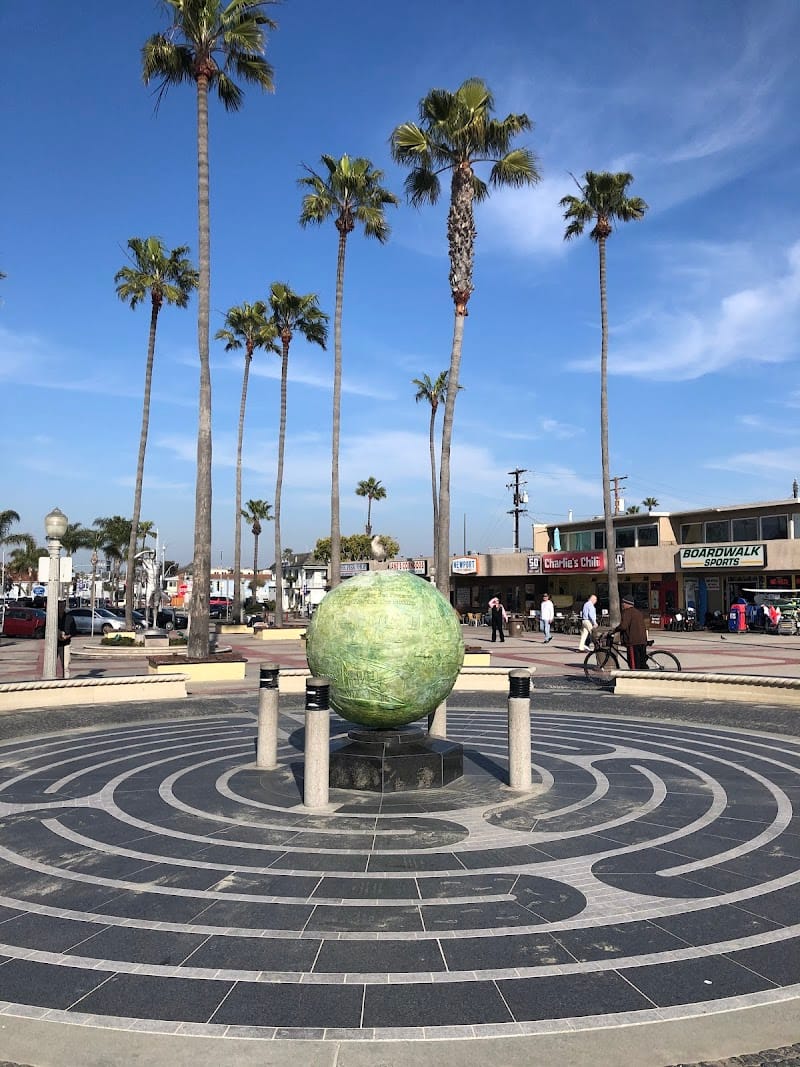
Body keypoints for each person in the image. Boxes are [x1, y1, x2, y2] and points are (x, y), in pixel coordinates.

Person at [612, 595, 648, 669]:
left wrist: (614, 630)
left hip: (633, 641)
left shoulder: (627, 612)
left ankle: (636, 678)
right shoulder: (638, 612)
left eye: (623, 603)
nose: (622, 604)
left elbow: (623, 626)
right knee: (641, 662)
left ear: (626, 604)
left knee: (633, 664)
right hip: (642, 640)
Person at [56, 603, 77, 679]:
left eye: (62, 606)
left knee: (65, 665)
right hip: (54, 644)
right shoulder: (53, 617)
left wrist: (67, 636)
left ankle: (66, 680)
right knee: (51, 665)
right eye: (59, 606)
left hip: (65, 644)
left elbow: (74, 631)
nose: (61, 608)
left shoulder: (69, 618)